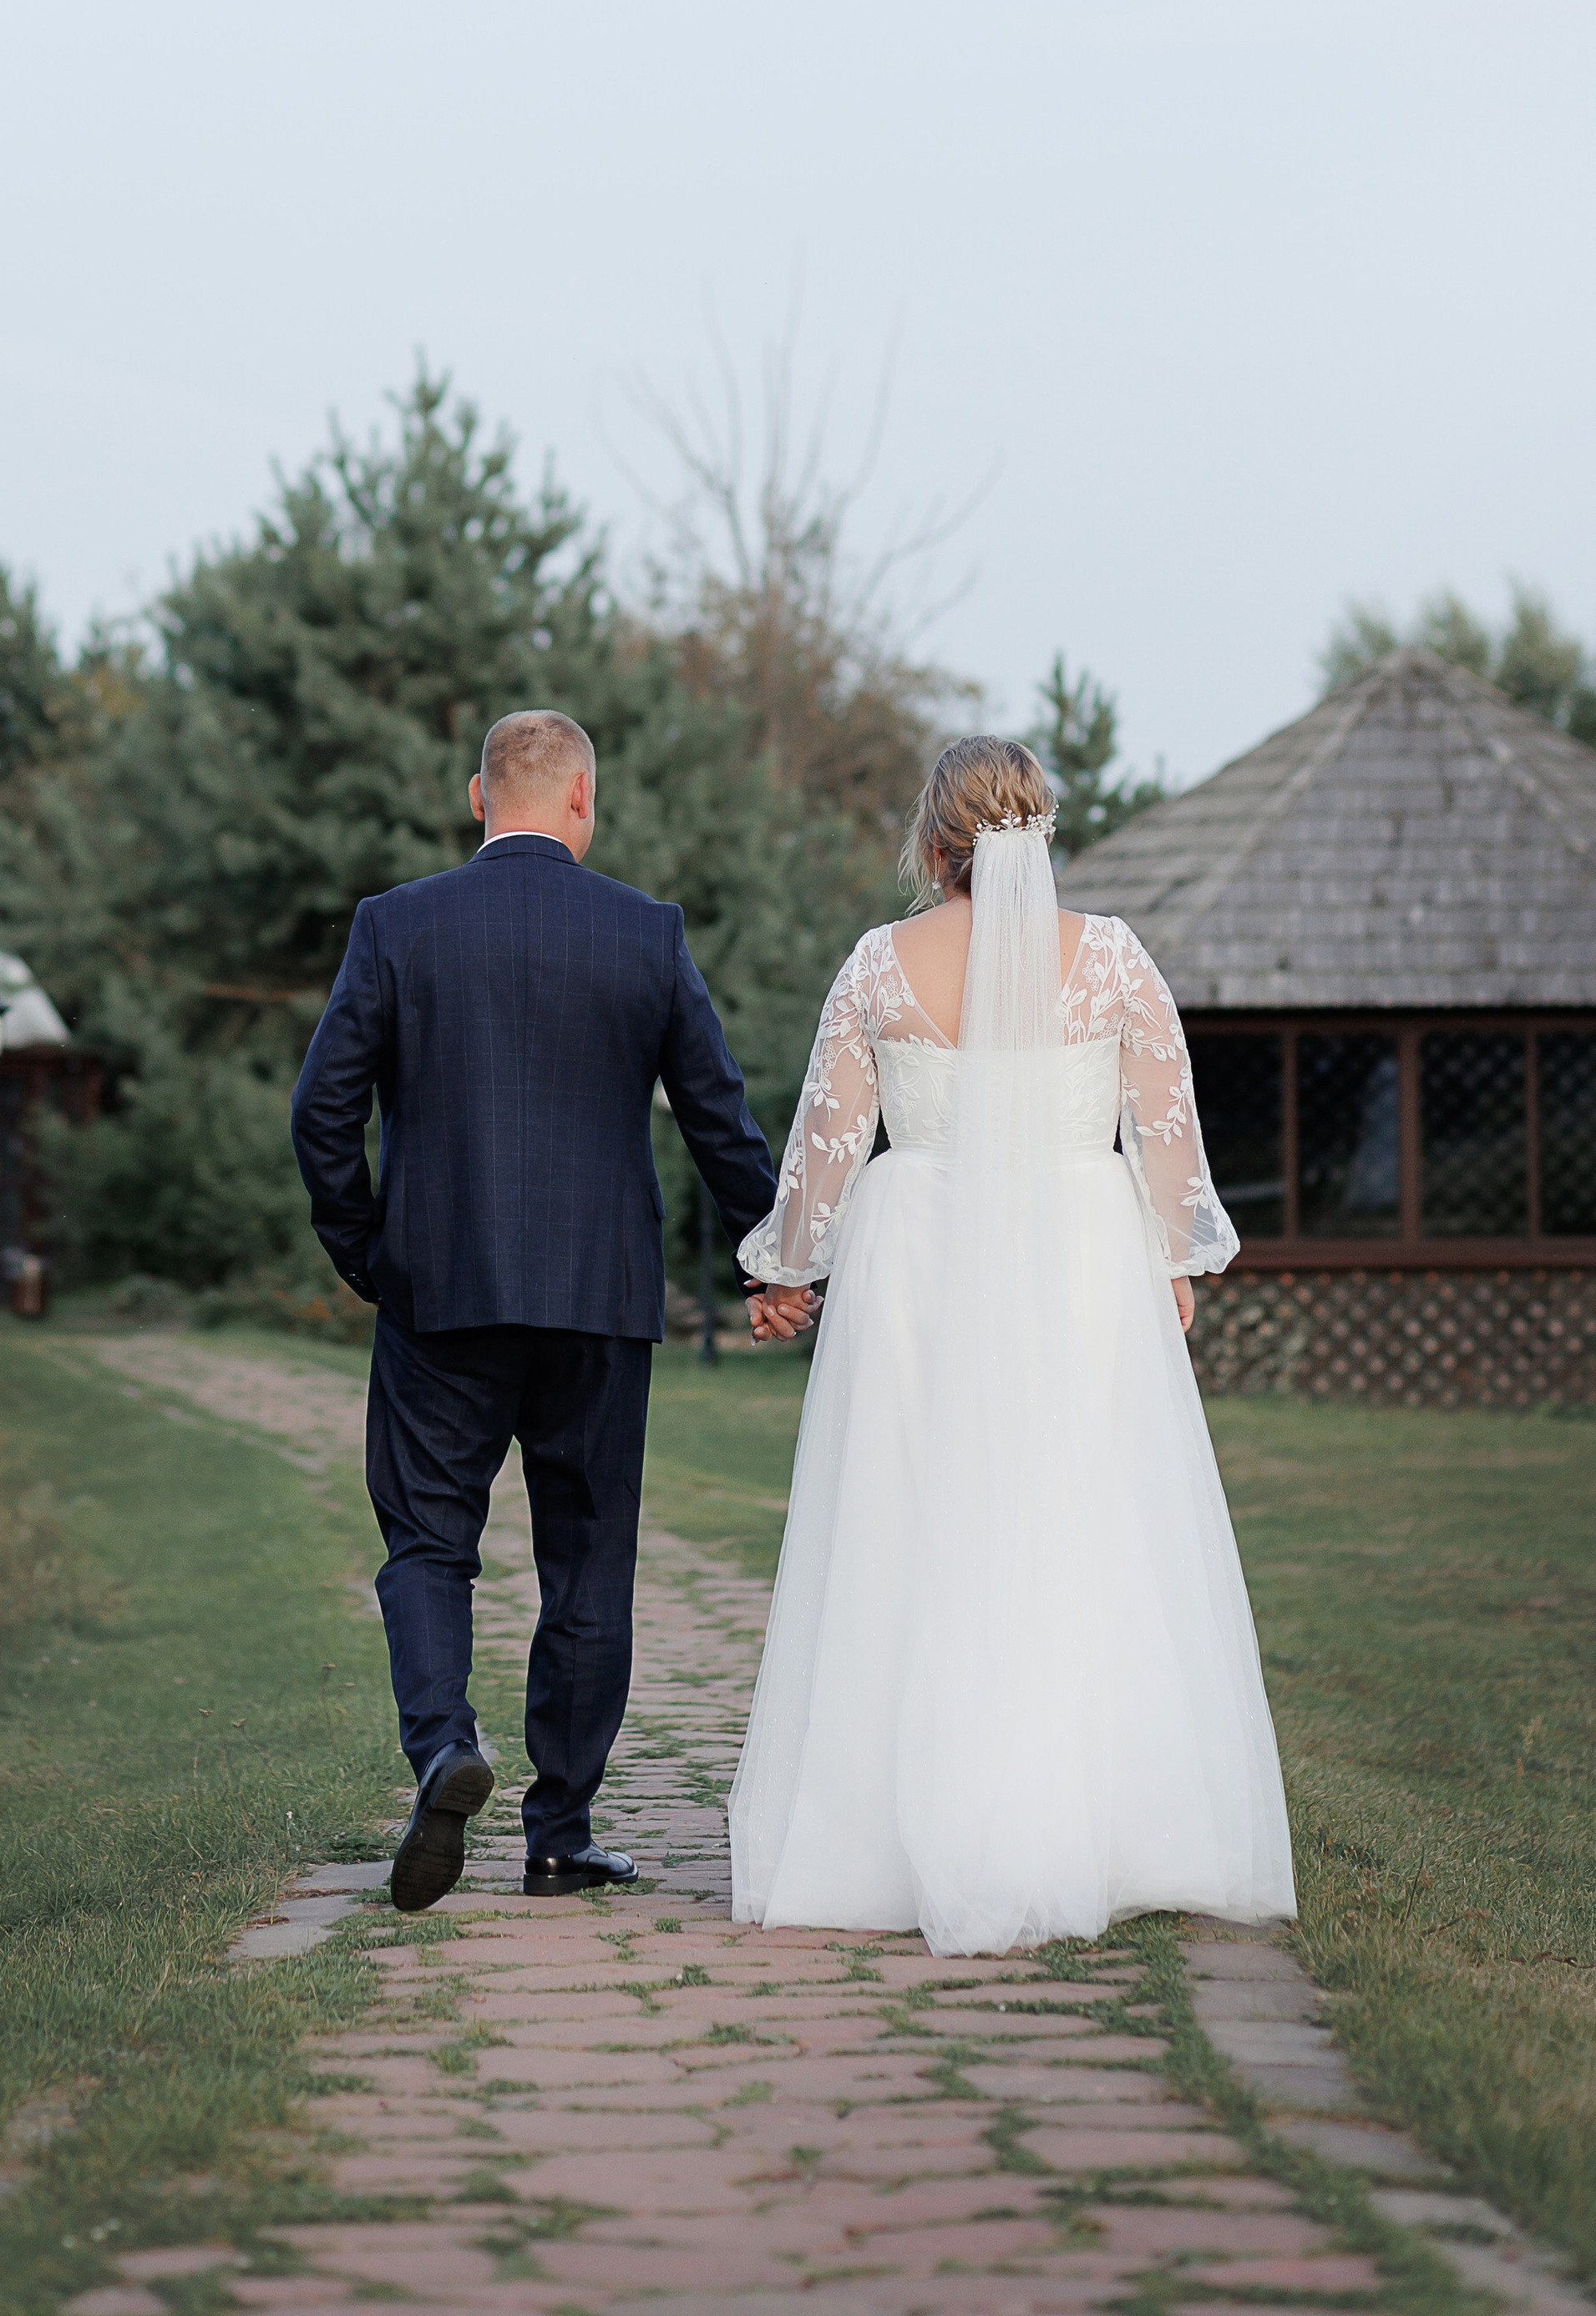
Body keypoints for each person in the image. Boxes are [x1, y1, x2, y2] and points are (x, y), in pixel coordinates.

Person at [730, 734, 1295, 1955]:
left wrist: (785, 1271)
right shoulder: (1114, 959)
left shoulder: (880, 963)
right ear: (1039, 833)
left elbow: (827, 1145)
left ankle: (894, 1827)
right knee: (1079, 1519)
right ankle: (1106, 1822)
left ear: (936, 845)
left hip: (916, 1258)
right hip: (1083, 1253)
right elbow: (1167, 1129)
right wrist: (1172, 1261)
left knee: (912, 1522)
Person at [291, 707, 779, 1913]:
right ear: (581, 803)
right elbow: (718, 1117)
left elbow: (321, 1111)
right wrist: (774, 1259)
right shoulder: (644, 934)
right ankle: (559, 1834)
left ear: (477, 798)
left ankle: (445, 1745)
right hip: (599, 1304)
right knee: (587, 1567)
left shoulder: (396, 927)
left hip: (439, 1292)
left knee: (427, 1541)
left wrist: (370, 1248)